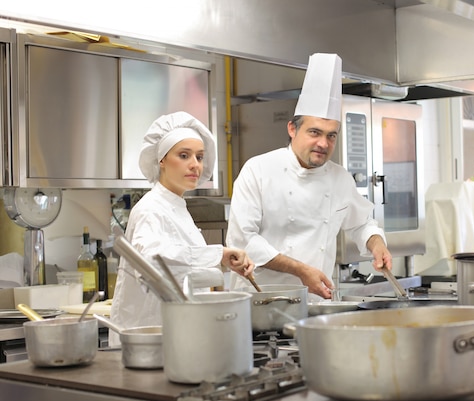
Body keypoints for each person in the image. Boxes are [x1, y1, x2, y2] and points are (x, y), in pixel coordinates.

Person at [226, 53, 391, 299]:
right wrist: (301, 270)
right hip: (260, 302)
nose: (323, 143)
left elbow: (362, 223)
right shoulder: (258, 170)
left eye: (331, 135)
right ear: (292, 128)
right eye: (314, 132)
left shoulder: (339, 179)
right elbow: (244, 242)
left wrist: (378, 245)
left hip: (315, 302)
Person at [110, 111, 254, 345]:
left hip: (174, 335)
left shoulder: (177, 207)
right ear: (162, 160)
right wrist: (218, 254)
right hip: (147, 339)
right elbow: (151, 264)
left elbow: (183, 270)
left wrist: (222, 263)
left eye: (199, 157)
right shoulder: (150, 209)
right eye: (184, 155)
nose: (194, 165)